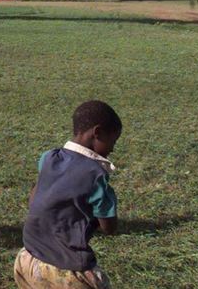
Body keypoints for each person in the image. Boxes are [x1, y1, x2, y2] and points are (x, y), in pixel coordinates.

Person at [14, 100, 122, 289]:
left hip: (27, 260)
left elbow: (33, 199)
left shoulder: (48, 157)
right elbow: (109, 228)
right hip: (68, 272)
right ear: (97, 133)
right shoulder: (95, 175)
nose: (112, 148)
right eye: (113, 141)